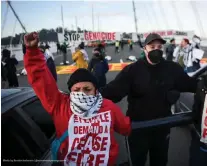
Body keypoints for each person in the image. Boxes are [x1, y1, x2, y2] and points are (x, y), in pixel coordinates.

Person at [23, 32, 131, 165]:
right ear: (71, 92)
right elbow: (41, 80)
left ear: (96, 90)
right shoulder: (60, 106)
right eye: (77, 90)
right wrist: (33, 52)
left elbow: (126, 127)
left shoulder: (108, 107)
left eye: (87, 89)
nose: (82, 94)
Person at [100, 33, 198, 166]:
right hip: (138, 128)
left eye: (159, 46)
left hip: (162, 127)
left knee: (160, 161)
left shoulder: (172, 69)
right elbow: (113, 91)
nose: (156, 49)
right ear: (145, 49)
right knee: (136, 161)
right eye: (152, 46)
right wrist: (90, 95)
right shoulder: (133, 70)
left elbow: (191, 84)